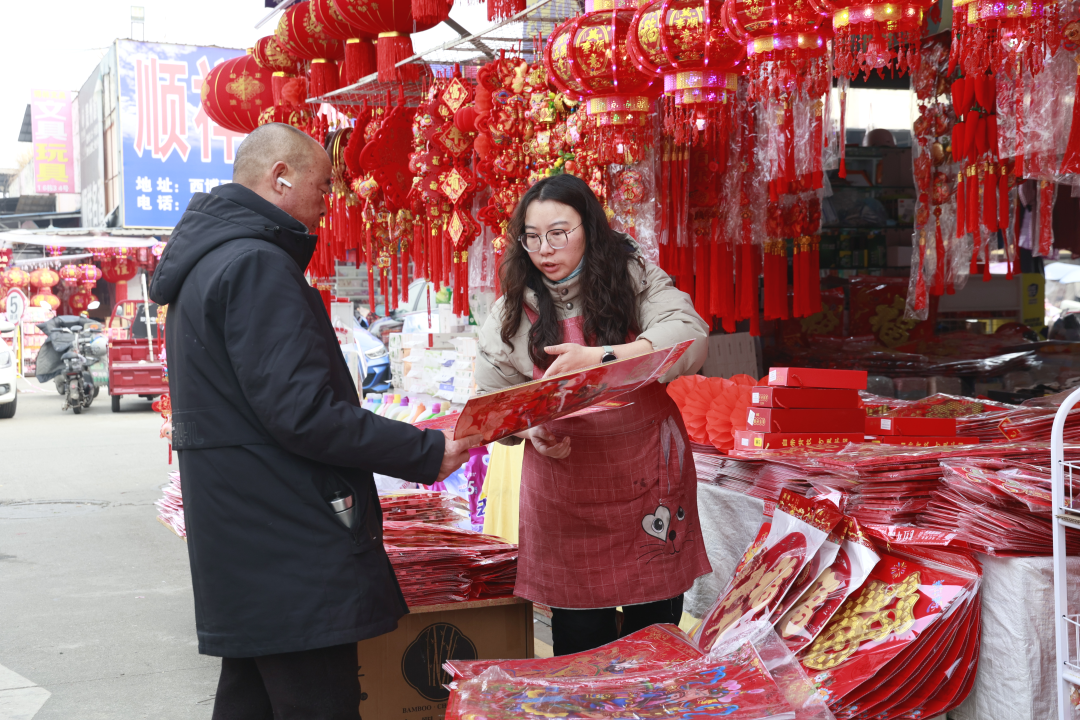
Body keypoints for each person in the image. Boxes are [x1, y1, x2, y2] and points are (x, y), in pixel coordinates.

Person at [149, 123, 480, 720]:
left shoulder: (213, 260)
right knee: (314, 701)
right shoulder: (256, 264)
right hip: (287, 540)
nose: (330, 200)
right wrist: (426, 451)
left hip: (246, 534)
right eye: (323, 186)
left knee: (251, 700)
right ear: (280, 177)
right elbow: (303, 413)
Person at [475, 173, 712, 656]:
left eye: (559, 233)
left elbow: (690, 335)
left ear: (589, 228)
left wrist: (604, 358)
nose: (545, 249)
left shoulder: (633, 277)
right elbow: (491, 404)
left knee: (654, 640)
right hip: (565, 489)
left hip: (646, 478)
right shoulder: (511, 310)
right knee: (580, 643)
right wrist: (531, 429)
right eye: (532, 237)